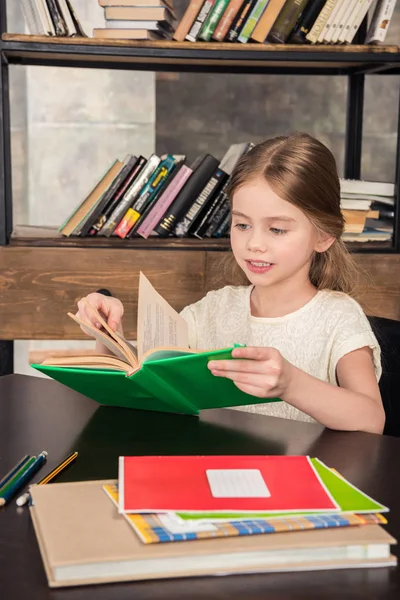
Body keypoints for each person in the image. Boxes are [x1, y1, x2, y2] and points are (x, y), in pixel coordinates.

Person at [76, 132, 385, 435]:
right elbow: (148, 375)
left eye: (277, 229)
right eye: (242, 225)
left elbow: (371, 417)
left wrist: (291, 383)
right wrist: (109, 334)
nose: (254, 244)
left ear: (324, 235)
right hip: (210, 469)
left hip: (294, 478)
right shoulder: (213, 308)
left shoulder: (339, 317)